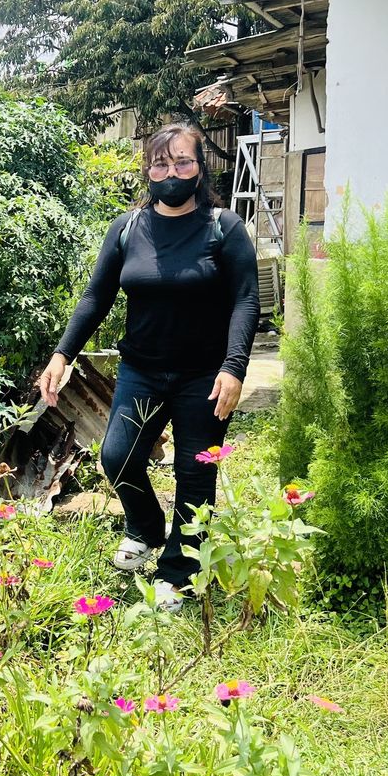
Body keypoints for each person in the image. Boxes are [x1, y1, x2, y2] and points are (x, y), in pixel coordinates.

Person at [38, 123, 259, 610]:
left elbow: (245, 300)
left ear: (200, 168)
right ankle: (144, 526)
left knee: (195, 474)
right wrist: (62, 355)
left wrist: (234, 367)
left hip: (204, 375)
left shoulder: (224, 227)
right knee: (117, 458)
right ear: (148, 170)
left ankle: (178, 573)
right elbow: (96, 296)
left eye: (183, 162)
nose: (172, 172)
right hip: (142, 369)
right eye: (161, 163)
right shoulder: (128, 228)